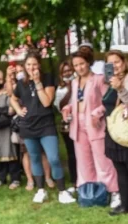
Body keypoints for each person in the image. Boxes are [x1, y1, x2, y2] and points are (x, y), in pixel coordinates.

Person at [10, 51, 75, 204]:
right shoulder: (21, 83)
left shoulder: (48, 78)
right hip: (28, 126)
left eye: (34, 64)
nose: (31, 67)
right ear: (24, 66)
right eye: (28, 65)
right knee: (34, 158)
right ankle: (40, 190)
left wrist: (38, 82)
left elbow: (46, 102)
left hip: (46, 125)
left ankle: (62, 191)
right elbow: (12, 99)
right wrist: (19, 111)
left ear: (39, 64)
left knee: (53, 158)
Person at [62, 50, 119, 208]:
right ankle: (89, 191)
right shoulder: (74, 82)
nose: (79, 68)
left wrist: (97, 113)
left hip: (95, 124)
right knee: (84, 161)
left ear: (88, 62)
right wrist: (67, 108)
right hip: (78, 125)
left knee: (103, 160)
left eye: (81, 64)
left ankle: (113, 191)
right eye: (76, 65)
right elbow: (76, 101)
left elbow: (108, 100)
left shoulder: (99, 79)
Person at [103, 50, 128, 216]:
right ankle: (124, 205)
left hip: (127, 131)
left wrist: (121, 88)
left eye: (117, 61)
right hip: (114, 130)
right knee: (120, 170)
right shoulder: (109, 81)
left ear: (124, 62)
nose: (114, 66)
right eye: (110, 63)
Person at [0, 70, 20, 189]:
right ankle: (2, 178)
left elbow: (11, 109)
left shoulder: (7, 93)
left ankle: (15, 179)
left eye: (1, 79)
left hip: (7, 127)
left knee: (10, 152)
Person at [55, 61, 77, 192]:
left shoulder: (80, 83)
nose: (68, 73)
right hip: (67, 123)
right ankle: (74, 179)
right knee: (72, 153)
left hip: (80, 121)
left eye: (69, 70)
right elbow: (59, 106)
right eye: (65, 71)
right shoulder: (60, 88)